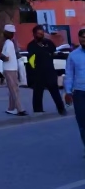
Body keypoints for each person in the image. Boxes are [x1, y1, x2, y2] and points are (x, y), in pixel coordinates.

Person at [27, 26, 66, 115]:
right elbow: (30, 60)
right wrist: (32, 72)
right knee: (37, 92)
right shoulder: (31, 45)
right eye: (38, 34)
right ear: (34, 34)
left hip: (50, 71)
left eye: (42, 33)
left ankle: (61, 109)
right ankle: (38, 110)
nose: (41, 35)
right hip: (38, 73)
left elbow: (53, 53)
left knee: (55, 91)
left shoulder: (48, 43)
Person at [64, 28, 85, 157]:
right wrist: (68, 92)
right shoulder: (73, 55)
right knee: (82, 123)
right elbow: (69, 74)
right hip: (79, 93)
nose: (84, 39)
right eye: (82, 37)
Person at [0, 24, 26, 116]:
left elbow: (5, 58)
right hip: (11, 69)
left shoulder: (8, 43)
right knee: (14, 90)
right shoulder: (9, 43)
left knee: (12, 90)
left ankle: (11, 108)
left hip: (10, 68)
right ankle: (19, 109)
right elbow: (7, 58)